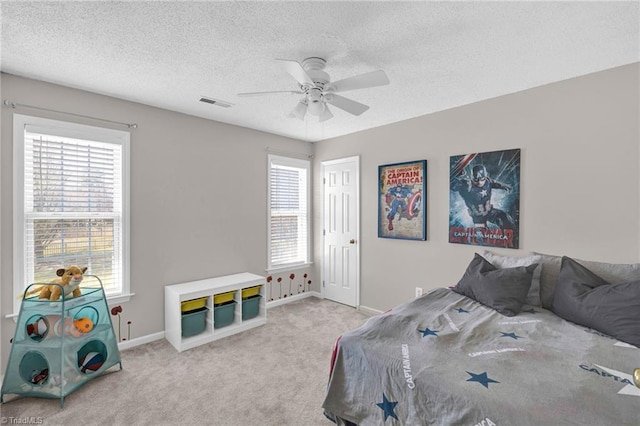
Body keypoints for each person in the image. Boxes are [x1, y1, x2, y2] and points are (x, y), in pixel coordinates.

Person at [452, 164, 515, 230]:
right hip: (477, 216)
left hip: (489, 211)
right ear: (472, 178)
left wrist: (505, 186)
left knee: (504, 217)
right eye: (476, 180)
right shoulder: (467, 185)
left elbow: (496, 183)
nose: (479, 182)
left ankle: (513, 234)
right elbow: (454, 184)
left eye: (482, 179)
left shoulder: (488, 181)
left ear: (486, 176)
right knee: (482, 234)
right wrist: (457, 174)